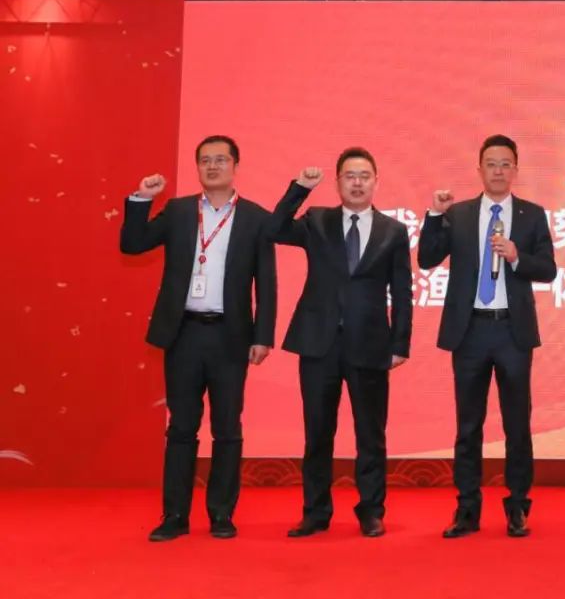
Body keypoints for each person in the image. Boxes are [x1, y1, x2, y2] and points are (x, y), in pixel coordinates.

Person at [120, 134, 276, 542]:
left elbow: (267, 282)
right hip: (184, 333)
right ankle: (174, 515)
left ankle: (221, 513)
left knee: (227, 428)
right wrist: (142, 198)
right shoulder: (178, 211)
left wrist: (263, 335)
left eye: (221, 159)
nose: (212, 166)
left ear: (235, 166)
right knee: (181, 427)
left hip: (231, 336)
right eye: (205, 160)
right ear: (198, 167)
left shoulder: (255, 218)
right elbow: (132, 244)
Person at [267, 147, 412, 539]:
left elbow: (402, 291)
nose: (357, 182)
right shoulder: (317, 220)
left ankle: (371, 511)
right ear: (337, 182)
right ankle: (315, 512)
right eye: (350, 176)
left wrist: (400, 343)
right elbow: (275, 229)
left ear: (376, 181)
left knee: (370, 434)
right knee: (317, 433)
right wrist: (300, 188)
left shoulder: (393, 231)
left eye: (364, 176)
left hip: (370, 344)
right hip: (319, 343)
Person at [417, 134, 556, 538]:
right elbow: (426, 258)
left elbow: (548, 269)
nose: (498, 171)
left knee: (517, 425)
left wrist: (517, 256)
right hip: (470, 331)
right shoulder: (459, 214)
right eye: (491, 164)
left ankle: (518, 506)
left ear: (516, 170)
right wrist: (434, 215)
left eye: (505, 164)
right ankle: (467, 509)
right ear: (479, 170)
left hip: (512, 331)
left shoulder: (532, 215)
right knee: (468, 425)